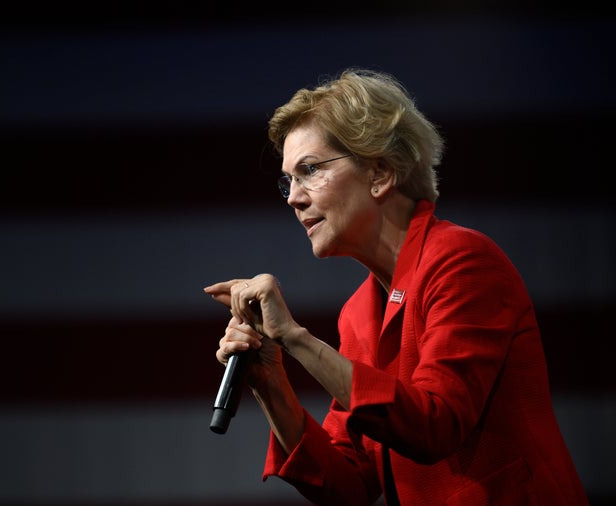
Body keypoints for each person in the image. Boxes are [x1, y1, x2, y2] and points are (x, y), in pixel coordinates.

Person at [203, 68, 588, 505]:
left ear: (380, 174)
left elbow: (435, 425)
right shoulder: (359, 313)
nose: (293, 197)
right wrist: (270, 380)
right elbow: (347, 484)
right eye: (288, 180)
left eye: (309, 170)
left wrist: (294, 338)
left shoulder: (461, 260)